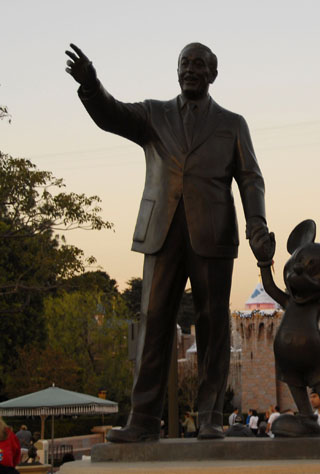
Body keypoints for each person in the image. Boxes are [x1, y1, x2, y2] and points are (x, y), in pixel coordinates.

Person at [65, 42, 269, 443]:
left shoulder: (232, 123)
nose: (190, 70)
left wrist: (257, 224)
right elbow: (111, 113)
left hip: (213, 234)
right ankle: (142, 419)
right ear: (177, 72)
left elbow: (250, 178)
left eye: (198, 65)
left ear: (213, 73)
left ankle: (210, 416)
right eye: (184, 64)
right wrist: (90, 85)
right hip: (161, 230)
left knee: (212, 325)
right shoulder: (153, 114)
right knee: (154, 321)